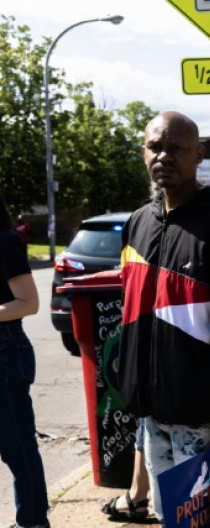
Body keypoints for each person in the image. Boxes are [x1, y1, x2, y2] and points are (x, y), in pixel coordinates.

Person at [116, 111, 210, 524]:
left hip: (204, 417)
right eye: (155, 147)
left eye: (176, 148)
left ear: (199, 154)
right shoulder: (138, 223)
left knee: (205, 520)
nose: (164, 156)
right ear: (143, 152)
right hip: (152, 411)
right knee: (170, 518)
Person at [0, 193, 49, 528]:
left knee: (17, 448)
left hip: (5, 353)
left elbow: (28, 303)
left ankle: (32, 523)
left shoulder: (3, 241)